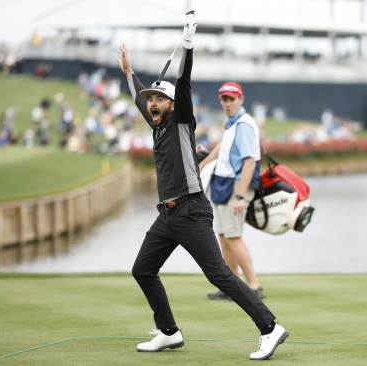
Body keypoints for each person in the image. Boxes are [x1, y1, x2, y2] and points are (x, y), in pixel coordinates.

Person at [115, 13, 289, 361]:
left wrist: (189, 47)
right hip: (167, 215)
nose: (152, 104)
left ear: (172, 105)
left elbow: (184, 82)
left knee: (219, 275)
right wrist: (130, 74)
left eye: (159, 100)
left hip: (192, 210)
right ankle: (169, 332)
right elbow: (138, 97)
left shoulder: (180, 122)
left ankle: (270, 328)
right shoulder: (157, 124)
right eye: (151, 101)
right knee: (143, 270)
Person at [199, 82, 266, 301]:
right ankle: (232, 285)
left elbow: (249, 162)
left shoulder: (245, 124)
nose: (227, 103)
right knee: (223, 236)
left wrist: (239, 196)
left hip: (237, 185)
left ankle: (254, 286)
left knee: (233, 236)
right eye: (224, 100)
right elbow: (221, 147)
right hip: (223, 182)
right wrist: (201, 164)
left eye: (232, 99)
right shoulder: (231, 122)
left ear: (241, 99)